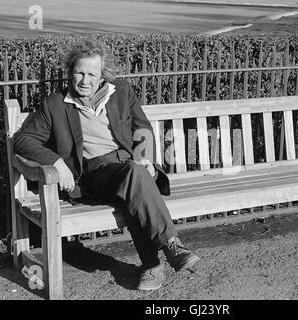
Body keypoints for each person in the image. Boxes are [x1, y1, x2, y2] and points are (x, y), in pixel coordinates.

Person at [13, 40, 200, 291]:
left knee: (135, 181)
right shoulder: (56, 105)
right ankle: (172, 245)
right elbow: (23, 140)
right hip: (94, 175)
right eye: (79, 72)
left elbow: (141, 127)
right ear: (70, 72)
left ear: (102, 75)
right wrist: (58, 163)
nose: (84, 80)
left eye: (92, 74)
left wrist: (144, 157)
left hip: (128, 168)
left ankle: (153, 266)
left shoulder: (121, 92)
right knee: (135, 176)